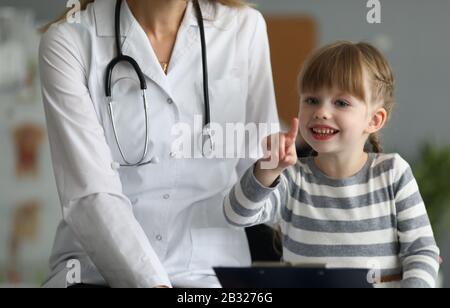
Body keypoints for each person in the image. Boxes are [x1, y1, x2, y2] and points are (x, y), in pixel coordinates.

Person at [39, 0, 278, 288]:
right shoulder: (70, 40)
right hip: (97, 275)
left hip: (210, 274)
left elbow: (261, 173)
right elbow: (90, 194)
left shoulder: (244, 27)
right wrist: (153, 284)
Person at [224, 41, 440, 288]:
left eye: (341, 103)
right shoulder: (292, 179)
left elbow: (421, 251)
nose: (321, 112)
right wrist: (268, 168)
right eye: (312, 100)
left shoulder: (393, 173)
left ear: (374, 119)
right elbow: (236, 215)